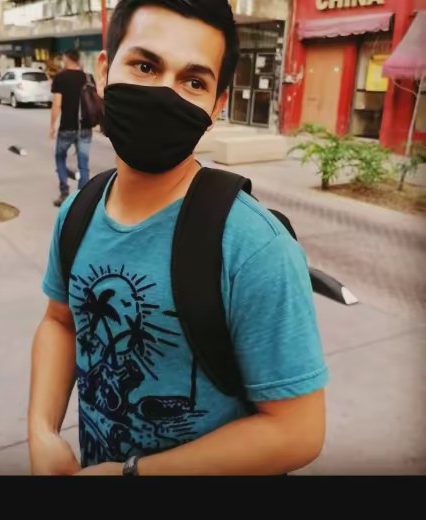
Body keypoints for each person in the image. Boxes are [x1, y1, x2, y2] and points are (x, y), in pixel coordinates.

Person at [29, 0, 329, 476]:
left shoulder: (254, 247)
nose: (164, 94)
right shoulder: (78, 212)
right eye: (145, 66)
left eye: (193, 81)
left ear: (217, 105)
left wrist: (131, 475)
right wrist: (41, 431)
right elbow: (60, 322)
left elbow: (297, 430)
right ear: (104, 71)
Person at [49, 49, 93, 207]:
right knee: (83, 163)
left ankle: (64, 193)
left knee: (60, 158)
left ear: (66, 58)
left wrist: (52, 126)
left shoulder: (60, 78)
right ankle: (83, 198)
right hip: (85, 127)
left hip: (67, 127)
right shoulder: (88, 77)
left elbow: (57, 105)